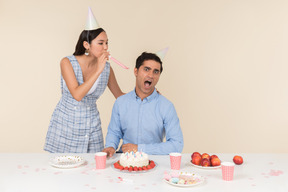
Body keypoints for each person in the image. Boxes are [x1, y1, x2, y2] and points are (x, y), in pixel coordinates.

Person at [44, 8, 124, 153]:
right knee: (63, 168)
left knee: (94, 167)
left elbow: (120, 96)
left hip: (92, 126)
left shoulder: (107, 69)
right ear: (87, 45)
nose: (105, 47)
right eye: (100, 43)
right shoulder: (67, 62)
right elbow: (77, 95)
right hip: (66, 126)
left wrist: (146, 94)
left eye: (107, 43)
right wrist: (98, 69)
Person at [103, 52, 183, 156]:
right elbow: (114, 132)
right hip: (124, 162)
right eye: (146, 69)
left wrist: (139, 148)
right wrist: (110, 146)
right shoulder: (120, 103)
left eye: (156, 72)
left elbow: (176, 145)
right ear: (136, 71)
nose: (151, 75)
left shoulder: (166, 107)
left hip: (154, 163)